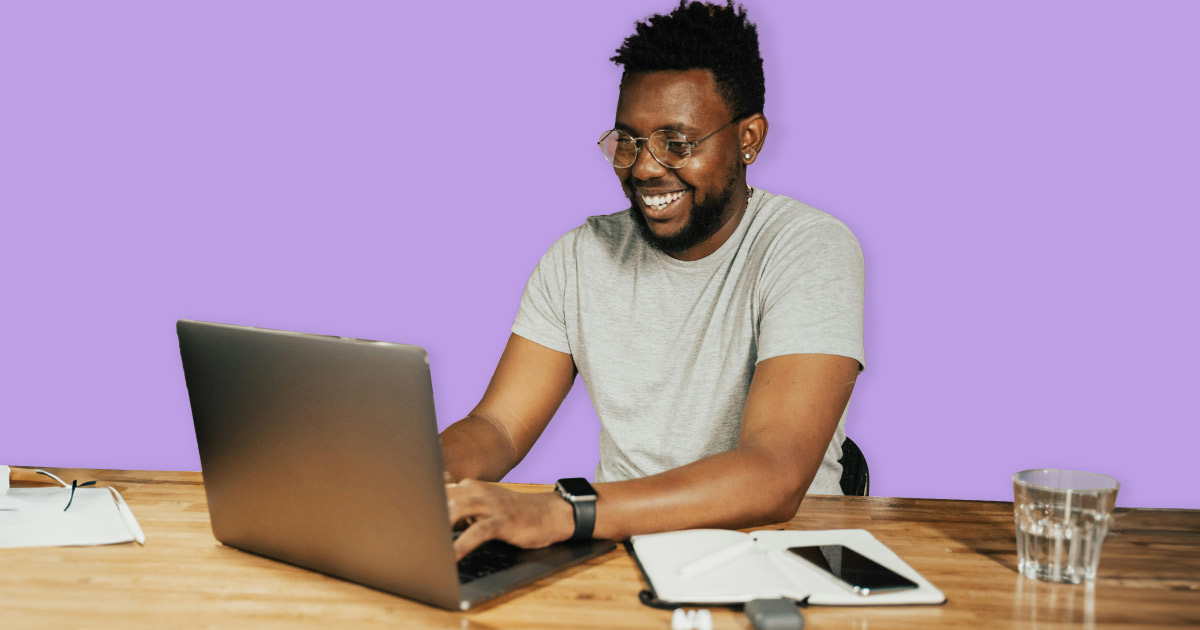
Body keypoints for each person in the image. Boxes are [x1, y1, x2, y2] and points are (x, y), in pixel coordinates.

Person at [440, 0, 865, 560]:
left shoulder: (807, 249)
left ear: (749, 139)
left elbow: (774, 473)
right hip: (615, 549)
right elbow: (497, 426)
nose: (643, 167)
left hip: (776, 554)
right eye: (629, 141)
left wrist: (564, 511)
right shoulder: (579, 257)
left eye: (677, 143)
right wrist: (406, 475)